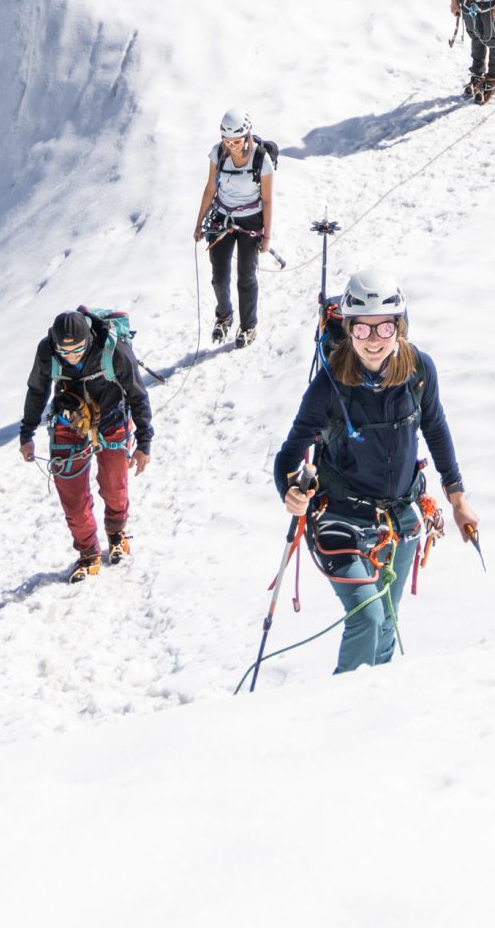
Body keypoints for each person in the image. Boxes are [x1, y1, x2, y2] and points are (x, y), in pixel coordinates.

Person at [273, 269, 476, 673]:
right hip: (338, 517)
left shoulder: (419, 371)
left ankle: (372, 717)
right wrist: (289, 491)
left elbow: (435, 427)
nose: (374, 340)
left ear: (399, 326)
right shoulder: (330, 383)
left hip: (400, 517)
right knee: (368, 616)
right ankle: (337, 711)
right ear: (348, 329)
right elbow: (290, 453)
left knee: (387, 620)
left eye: (384, 327)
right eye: (362, 330)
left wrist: (458, 498)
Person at [19, 307, 153, 580]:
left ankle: (116, 532)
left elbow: (136, 392)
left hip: (112, 416)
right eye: (64, 352)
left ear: (88, 340)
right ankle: (89, 552)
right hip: (69, 421)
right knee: (73, 497)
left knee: (114, 486)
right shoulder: (47, 352)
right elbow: (37, 389)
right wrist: (26, 433)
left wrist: (144, 442)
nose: (70, 356)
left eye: (77, 349)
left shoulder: (113, 350)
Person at [194, 109, 277, 345]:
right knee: (219, 276)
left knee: (246, 276)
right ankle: (224, 317)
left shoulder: (262, 159)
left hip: (251, 220)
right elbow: (210, 188)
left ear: (247, 136)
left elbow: (268, 199)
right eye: (227, 141)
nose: (231, 146)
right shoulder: (218, 153)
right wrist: (199, 223)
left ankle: (248, 326)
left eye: (237, 141)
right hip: (221, 217)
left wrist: (267, 236)